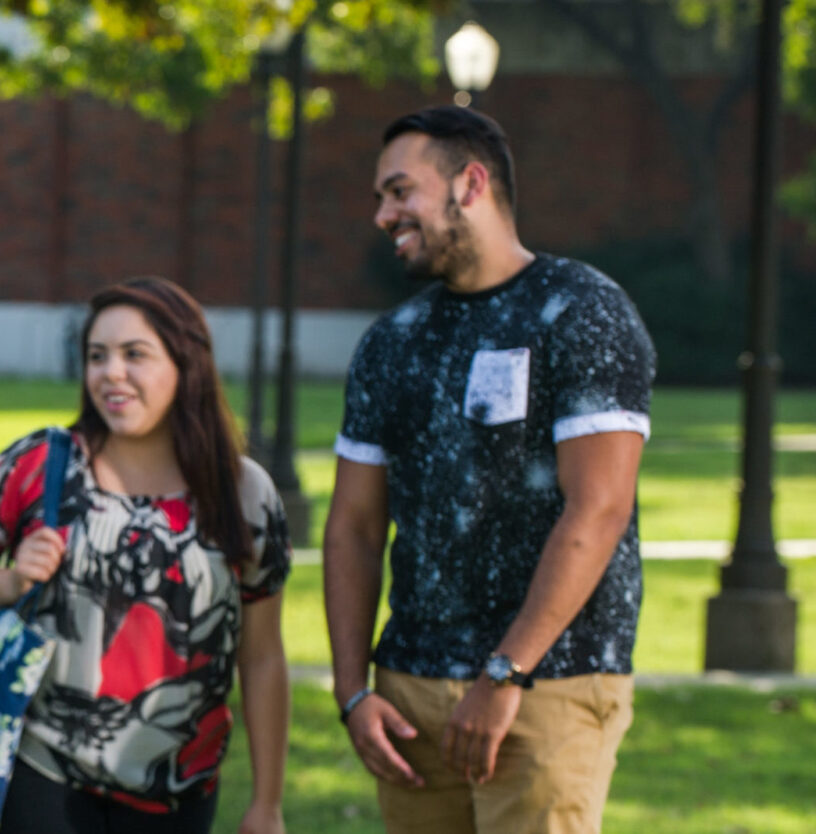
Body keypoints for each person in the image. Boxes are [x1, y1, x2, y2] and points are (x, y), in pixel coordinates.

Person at [325, 106, 655, 834]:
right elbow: (352, 525)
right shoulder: (392, 340)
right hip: (410, 696)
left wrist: (505, 675)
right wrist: (353, 692)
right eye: (382, 196)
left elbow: (597, 509)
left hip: (548, 686)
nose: (384, 214)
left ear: (470, 183)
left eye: (400, 190)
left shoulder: (581, 311)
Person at [0, 278, 291, 834]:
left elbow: (262, 657)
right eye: (97, 356)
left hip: (180, 786)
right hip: (44, 771)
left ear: (186, 364)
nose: (110, 373)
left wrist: (267, 802)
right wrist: (10, 580)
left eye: (134, 355)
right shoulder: (44, 467)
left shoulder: (244, 494)